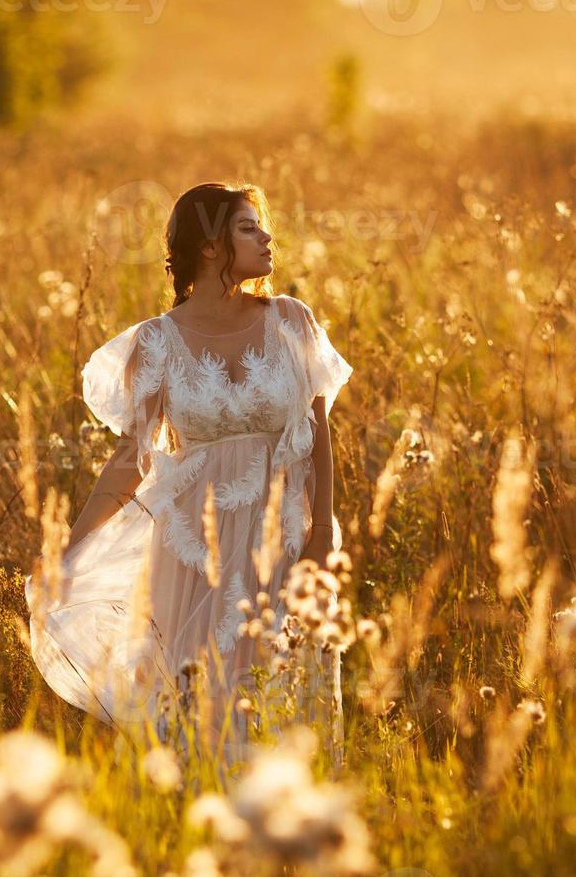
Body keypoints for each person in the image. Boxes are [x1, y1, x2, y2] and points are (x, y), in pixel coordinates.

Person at [25, 181, 352, 766]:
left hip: (284, 536)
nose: (267, 236)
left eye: (262, 225)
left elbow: (321, 435)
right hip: (190, 548)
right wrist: (67, 553)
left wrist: (323, 532)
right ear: (208, 247)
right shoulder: (156, 342)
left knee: (285, 692)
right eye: (248, 228)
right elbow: (131, 459)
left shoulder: (293, 322)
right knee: (202, 700)